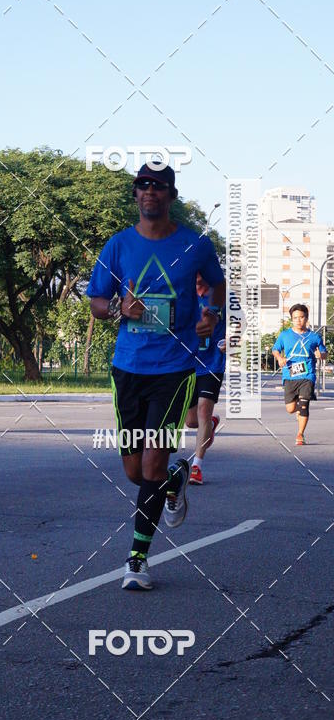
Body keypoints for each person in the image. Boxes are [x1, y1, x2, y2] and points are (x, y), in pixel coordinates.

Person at [87, 162, 225, 591]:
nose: (150, 192)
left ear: (170, 195)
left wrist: (212, 315)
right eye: (143, 185)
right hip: (127, 367)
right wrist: (116, 310)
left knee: (151, 460)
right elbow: (96, 300)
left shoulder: (195, 244)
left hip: (174, 368)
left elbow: (217, 286)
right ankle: (175, 479)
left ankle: (137, 560)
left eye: (158, 186)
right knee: (134, 470)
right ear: (136, 194)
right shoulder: (118, 245)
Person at [184, 273, 226, 485]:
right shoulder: (182, 294)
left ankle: (196, 467)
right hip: (186, 363)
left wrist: (231, 340)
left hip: (212, 363)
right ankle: (210, 424)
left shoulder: (222, 296)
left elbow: (240, 324)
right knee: (191, 421)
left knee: (202, 410)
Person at [272, 304, 326, 446]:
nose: (298, 320)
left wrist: (321, 354)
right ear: (292, 319)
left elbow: (324, 352)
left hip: (307, 374)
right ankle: (299, 410)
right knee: (290, 409)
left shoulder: (314, 337)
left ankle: (300, 434)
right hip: (290, 375)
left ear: (306, 318)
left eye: (301, 317)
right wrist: (279, 358)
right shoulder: (285, 335)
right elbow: (275, 349)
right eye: (295, 318)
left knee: (304, 405)